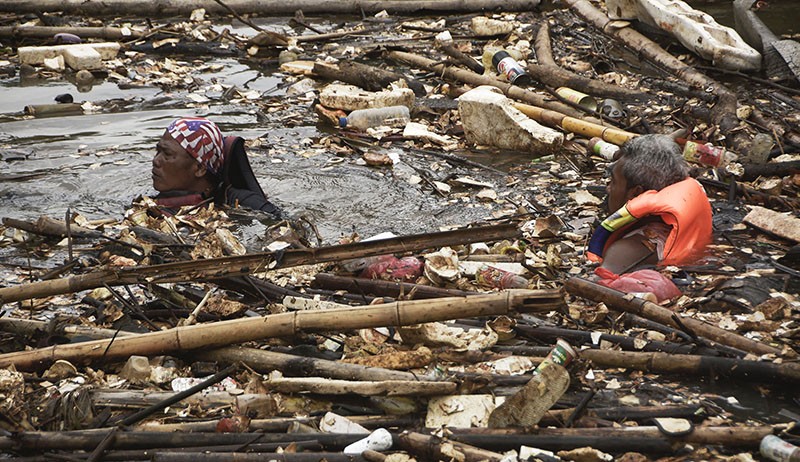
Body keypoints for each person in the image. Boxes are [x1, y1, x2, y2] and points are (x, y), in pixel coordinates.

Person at [587, 134, 712, 275]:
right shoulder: (679, 217)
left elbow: (595, 288)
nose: (608, 188)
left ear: (636, 193)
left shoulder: (624, 251)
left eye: (614, 181)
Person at [151, 116, 281, 217]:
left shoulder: (249, 205)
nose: (156, 161)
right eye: (158, 151)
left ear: (200, 168)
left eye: (167, 154)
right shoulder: (152, 204)